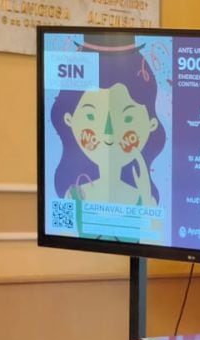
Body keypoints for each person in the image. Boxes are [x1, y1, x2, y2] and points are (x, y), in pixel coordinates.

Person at [52, 33, 165, 209]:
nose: (108, 134)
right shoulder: (73, 196)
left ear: (151, 124)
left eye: (128, 118)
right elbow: (65, 231)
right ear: (69, 119)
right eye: (91, 117)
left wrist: (144, 195)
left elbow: (154, 234)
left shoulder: (145, 200)